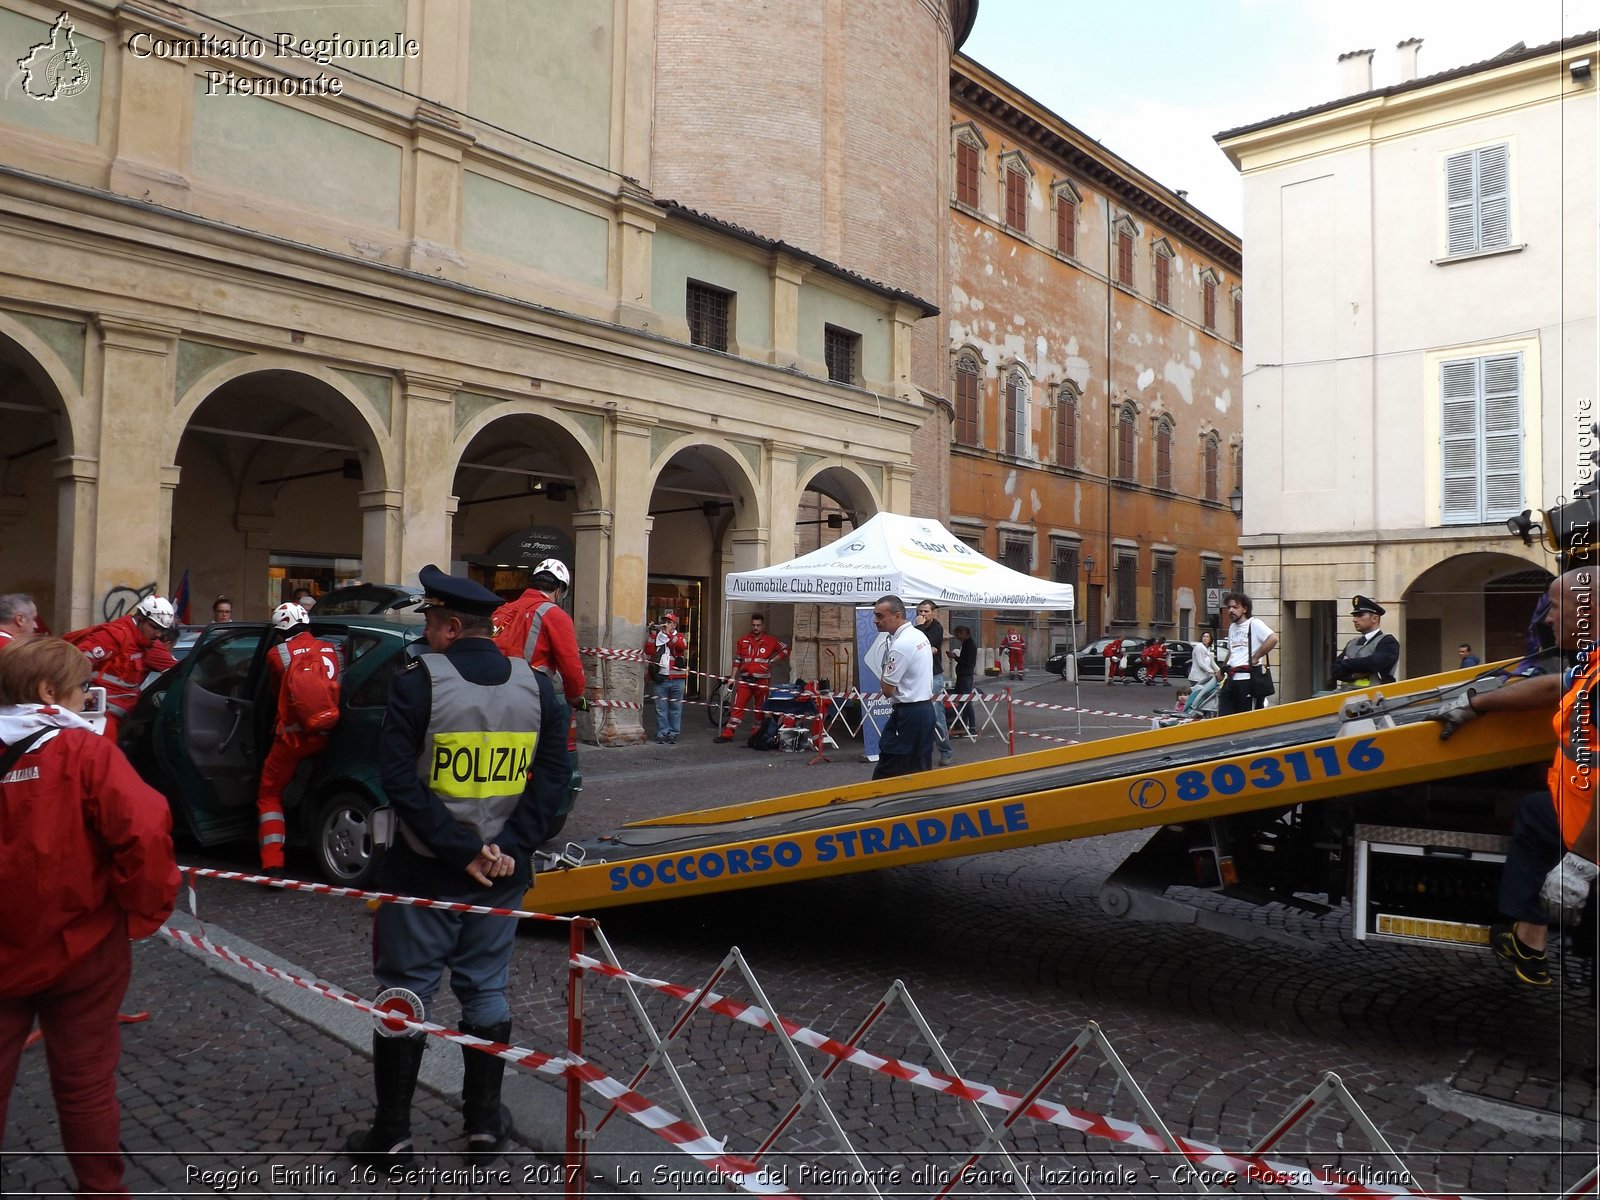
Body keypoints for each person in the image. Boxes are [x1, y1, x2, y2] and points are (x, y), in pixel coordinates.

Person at [348, 565, 572, 1162]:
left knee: (405, 993)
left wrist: (459, 850)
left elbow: (397, 779)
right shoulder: (536, 687)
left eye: (429, 619)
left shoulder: (417, 682)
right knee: (487, 994)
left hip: (424, 873)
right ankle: (481, 1125)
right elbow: (551, 782)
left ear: (449, 625)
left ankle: (392, 1135)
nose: (426, 629)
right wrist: (511, 851)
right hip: (502, 876)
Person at [0, 637, 179, 1197]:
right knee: (85, 1084)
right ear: (50, 692)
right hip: (84, 949)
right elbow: (145, 831)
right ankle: (101, 1190)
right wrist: (142, 910)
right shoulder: (86, 752)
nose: (87, 701)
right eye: (81, 690)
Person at [1435, 567, 1600, 986]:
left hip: (1593, 839)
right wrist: (1478, 704)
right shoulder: (1592, 666)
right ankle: (1529, 940)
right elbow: (1550, 689)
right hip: (1571, 812)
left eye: (1555, 608)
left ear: (1587, 610)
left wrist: (1581, 863)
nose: (1546, 619)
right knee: (1535, 813)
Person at [256, 603, 342, 870]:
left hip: (293, 740)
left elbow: (273, 693)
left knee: (269, 795)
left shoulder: (276, 654)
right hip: (328, 731)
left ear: (280, 630)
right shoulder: (331, 648)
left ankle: (273, 860)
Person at [65, 595, 179, 740]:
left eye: (163, 630)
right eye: (155, 627)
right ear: (139, 618)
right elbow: (74, 664)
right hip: (102, 715)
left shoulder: (149, 644)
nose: (158, 634)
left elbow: (178, 671)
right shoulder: (114, 636)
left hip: (126, 716)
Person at [492, 558, 589, 727]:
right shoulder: (555, 614)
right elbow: (570, 665)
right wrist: (575, 696)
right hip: (532, 696)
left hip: (495, 694)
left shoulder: (502, 609)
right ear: (559, 590)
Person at [870, 595, 935, 779]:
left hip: (909, 713)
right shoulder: (918, 635)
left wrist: (885, 665)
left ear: (897, 616)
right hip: (923, 709)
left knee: (888, 769)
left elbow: (887, 690)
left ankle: (880, 805)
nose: (876, 621)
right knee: (920, 769)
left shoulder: (901, 644)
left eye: (880, 616)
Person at [714, 613, 790, 743]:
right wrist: (733, 677)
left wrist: (772, 661)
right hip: (745, 680)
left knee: (760, 709)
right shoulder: (743, 640)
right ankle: (728, 734)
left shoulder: (771, 641)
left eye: (758, 625)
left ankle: (756, 734)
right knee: (738, 706)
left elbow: (786, 649)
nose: (755, 627)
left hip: (762, 681)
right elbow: (737, 660)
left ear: (763, 626)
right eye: (754, 625)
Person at [1217, 592, 1278, 717]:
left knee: (1246, 718)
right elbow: (1231, 651)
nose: (1231, 610)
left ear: (1245, 609)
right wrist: (1221, 669)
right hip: (1231, 679)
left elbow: (1273, 638)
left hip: (1247, 680)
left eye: (1235, 607)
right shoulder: (1232, 627)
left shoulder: (1254, 623)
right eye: (1229, 607)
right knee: (1225, 716)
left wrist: (1256, 657)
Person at [1330, 596, 1400, 689]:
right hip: (1345, 696)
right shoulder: (1352, 643)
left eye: (1360, 615)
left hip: (1374, 699)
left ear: (1374, 618)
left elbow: (1373, 664)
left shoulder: (1387, 642)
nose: (1354, 620)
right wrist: (1355, 675)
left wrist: (1346, 663)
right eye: (1354, 616)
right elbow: (1335, 670)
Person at [915, 601, 954, 766]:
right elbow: (915, 645)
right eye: (920, 611)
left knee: (937, 716)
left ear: (933, 613)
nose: (922, 614)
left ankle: (946, 751)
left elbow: (924, 642)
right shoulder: (916, 628)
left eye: (926, 611)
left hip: (933, 675)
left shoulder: (937, 628)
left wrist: (920, 628)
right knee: (918, 713)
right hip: (918, 675)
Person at [645, 612, 688, 745]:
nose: (666, 624)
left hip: (677, 678)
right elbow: (648, 650)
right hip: (661, 678)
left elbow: (681, 646)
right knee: (660, 708)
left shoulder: (680, 636)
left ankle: (673, 733)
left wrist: (668, 634)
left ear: (675, 624)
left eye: (669, 622)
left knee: (675, 708)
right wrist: (653, 634)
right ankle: (662, 732)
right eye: (665, 622)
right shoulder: (658, 637)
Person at [947, 624, 978, 738]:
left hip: (966, 676)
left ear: (965, 633)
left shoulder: (970, 645)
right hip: (962, 675)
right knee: (960, 700)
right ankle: (963, 724)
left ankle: (972, 726)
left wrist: (955, 657)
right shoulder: (965, 644)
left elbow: (968, 662)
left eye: (958, 634)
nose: (957, 637)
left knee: (966, 701)